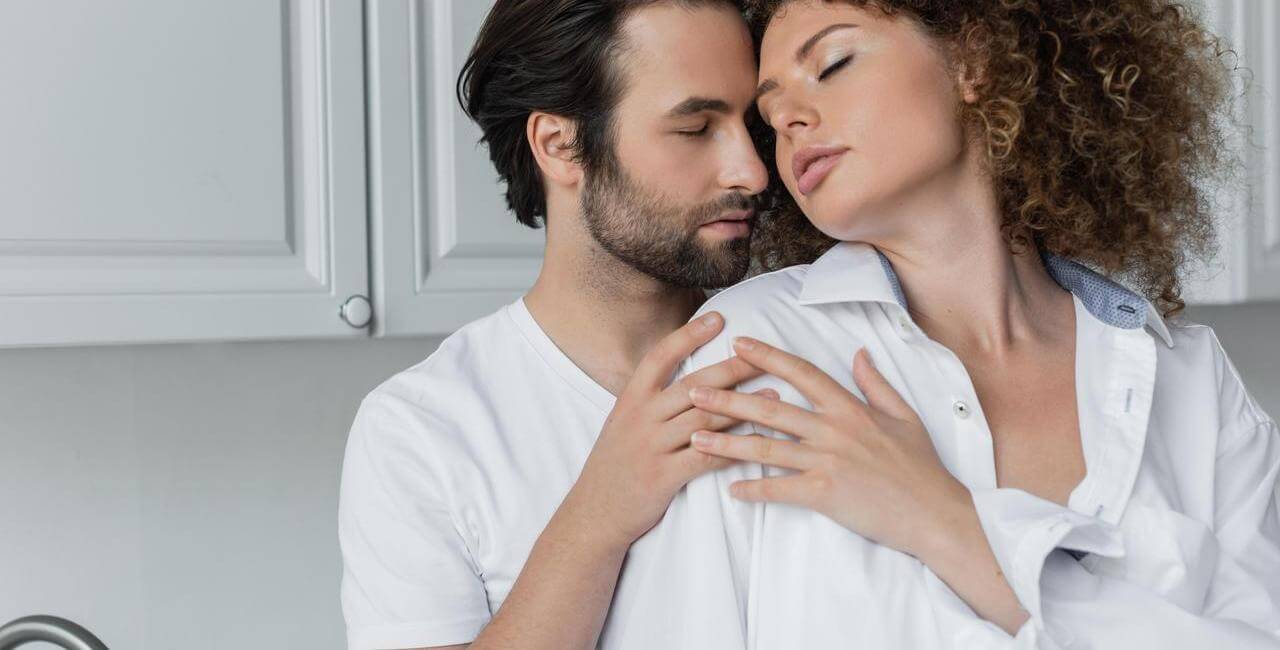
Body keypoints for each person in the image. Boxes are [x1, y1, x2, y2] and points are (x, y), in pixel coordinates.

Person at [603, 1, 1280, 648]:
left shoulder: (1193, 384)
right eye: (770, 118)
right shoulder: (755, 353)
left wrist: (943, 522)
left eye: (833, 64)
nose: (791, 123)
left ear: (972, 59)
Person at [336, 1, 771, 649]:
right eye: (695, 128)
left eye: (753, 127)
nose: (752, 171)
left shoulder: (795, 353)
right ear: (559, 145)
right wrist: (598, 517)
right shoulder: (422, 430)